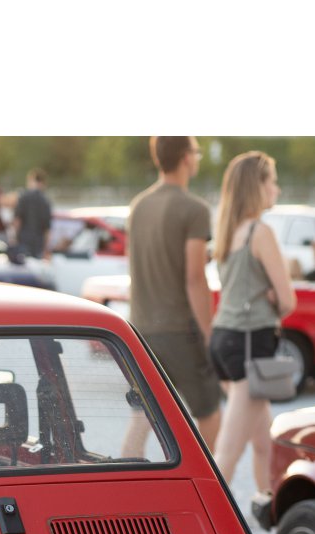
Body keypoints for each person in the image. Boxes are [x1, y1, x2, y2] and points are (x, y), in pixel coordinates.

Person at [125, 136, 221, 452]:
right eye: (197, 152)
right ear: (186, 157)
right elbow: (195, 278)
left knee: (141, 419)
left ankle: (129, 480)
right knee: (209, 414)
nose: (198, 157)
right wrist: (209, 334)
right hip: (180, 331)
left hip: (140, 329)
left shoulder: (138, 206)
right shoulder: (195, 209)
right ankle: (203, 481)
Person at [208, 151, 296, 490]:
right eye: (272, 181)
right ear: (256, 186)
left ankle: (265, 504)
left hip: (224, 340)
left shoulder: (228, 231)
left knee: (264, 442)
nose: (277, 189)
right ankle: (206, 521)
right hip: (249, 346)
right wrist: (273, 299)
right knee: (227, 452)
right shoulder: (260, 232)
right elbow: (288, 301)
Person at [11, 168, 53, 261]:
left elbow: (17, 220)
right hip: (38, 242)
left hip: (23, 239)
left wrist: (14, 238)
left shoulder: (23, 197)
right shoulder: (45, 201)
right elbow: (47, 228)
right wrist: (47, 248)